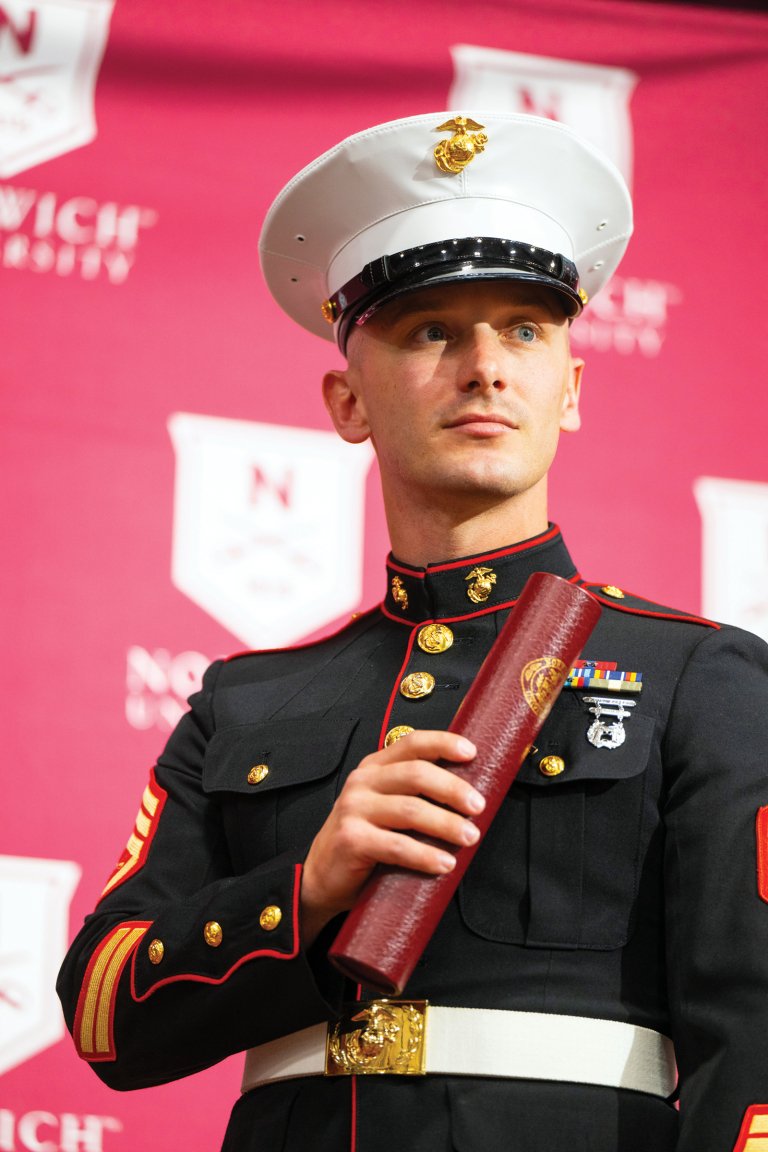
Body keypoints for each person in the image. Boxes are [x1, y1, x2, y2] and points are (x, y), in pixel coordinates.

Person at [57, 111, 768, 1152]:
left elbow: (752, 1038)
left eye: (525, 330)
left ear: (569, 391)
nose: (486, 366)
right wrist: (308, 891)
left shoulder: (703, 676)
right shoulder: (243, 700)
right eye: (432, 329)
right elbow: (102, 1012)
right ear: (348, 401)